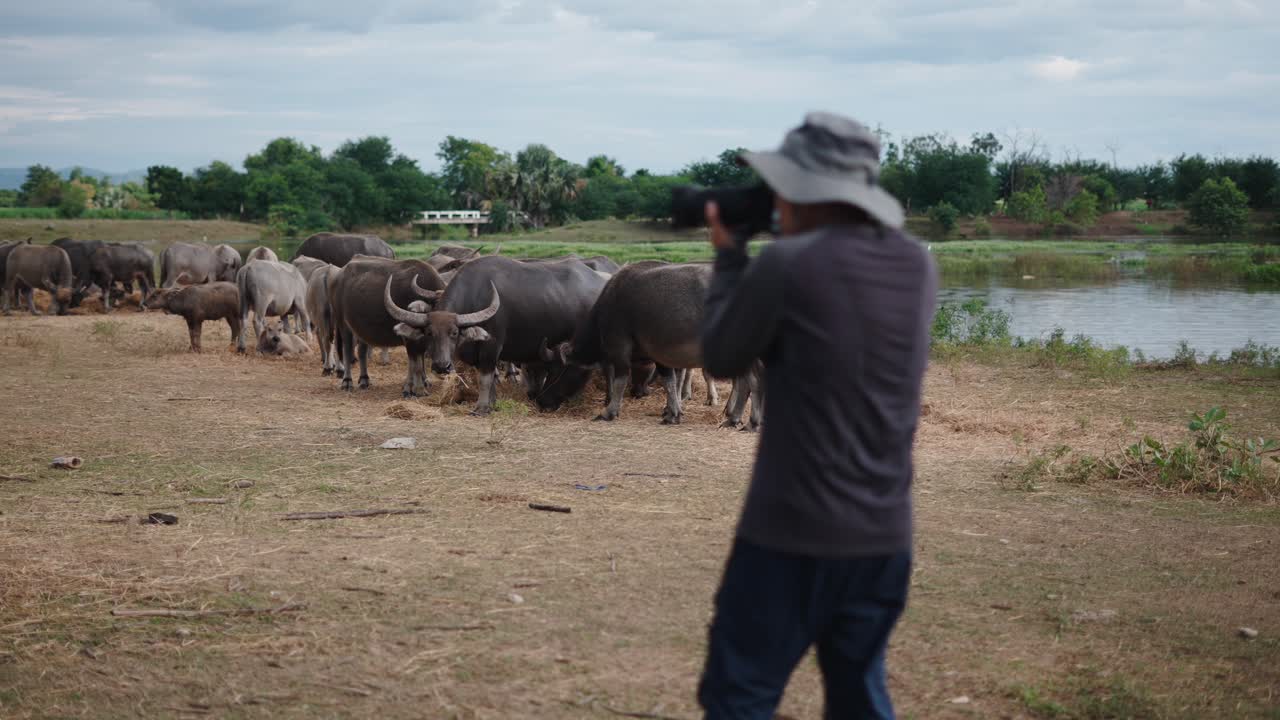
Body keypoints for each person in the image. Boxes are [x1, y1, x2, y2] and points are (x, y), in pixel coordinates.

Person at [698, 111, 938, 719]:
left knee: (740, 695)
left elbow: (723, 358)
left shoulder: (787, 265)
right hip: (884, 536)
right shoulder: (917, 266)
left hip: (789, 535)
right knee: (860, 694)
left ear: (805, 190)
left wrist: (729, 260)